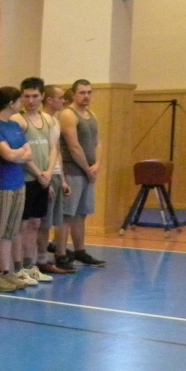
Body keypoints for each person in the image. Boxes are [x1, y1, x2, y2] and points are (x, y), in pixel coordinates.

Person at [0, 87, 32, 292]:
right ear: (11, 103)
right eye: (19, 101)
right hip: (2, 184)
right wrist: (18, 153)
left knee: (10, 232)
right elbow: (8, 155)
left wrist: (16, 153)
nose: (22, 104)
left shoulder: (15, 125)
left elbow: (29, 154)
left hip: (18, 183)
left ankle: (5, 271)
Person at [57, 79, 106, 267]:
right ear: (74, 94)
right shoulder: (68, 115)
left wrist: (97, 164)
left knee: (81, 213)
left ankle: (80, 251)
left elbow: (97, 142)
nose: (86, 96)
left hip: (88, 172)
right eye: (82, 92)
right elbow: (73, 146)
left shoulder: (92, 115)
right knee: (67, 214)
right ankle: (61, 253)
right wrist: (87, 168)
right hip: (73, 171)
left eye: (89, 92)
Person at [12, 78, 55, 284]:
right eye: (27, 96)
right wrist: (39, 173)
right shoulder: (18, 120)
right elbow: (22, 153)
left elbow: (53, 148)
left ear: (42, 96)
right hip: (26, 179)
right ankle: (18, 267)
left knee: (36, 223)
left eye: (35, 96)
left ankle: (30, 265)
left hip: (43, 179)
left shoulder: (48, 120)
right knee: (22, 225)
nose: (31, 101)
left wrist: (48, 173)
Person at [36, 85, 71, 275]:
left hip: (55, 174)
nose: (63, 101)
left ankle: (42, 257)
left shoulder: (55, 121)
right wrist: (46, 179)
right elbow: (42, 152)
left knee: (49, 222)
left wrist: (62, 179)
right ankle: (38, 259)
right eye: (60, 97)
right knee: (42, 223)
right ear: (49, 100)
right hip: (46, 175)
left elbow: (56, 151)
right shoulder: (42, 120)